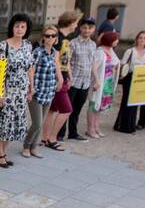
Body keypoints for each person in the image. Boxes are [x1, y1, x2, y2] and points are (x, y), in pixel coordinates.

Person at [0, 14, 35, 166]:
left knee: (16, 123)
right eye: (17, 26)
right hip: (7, 90)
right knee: (3, 123)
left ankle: (4, 152)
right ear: (12, 27)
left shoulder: (28, 45)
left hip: (21, 91)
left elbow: (30, 68)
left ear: (26, 29)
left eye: (22, 26)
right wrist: (0, 94)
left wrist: (31, 87)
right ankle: (0, 153)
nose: (19, 29)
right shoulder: (3, 45)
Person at [25, 25, 59, 156]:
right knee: (37, 123)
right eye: (47, 36)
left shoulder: (55, 53)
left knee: (41, 122)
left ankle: (34, 147)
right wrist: (31, 87)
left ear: (56, 38)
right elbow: (31, 70)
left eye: (53, 36)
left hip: (49, 92)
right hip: (37, 92)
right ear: (43, 38)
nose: (50, 38)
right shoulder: (37, 52)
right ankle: (26, 146)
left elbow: (55, 69)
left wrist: (58, 80)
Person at [66, 17, 98, 141]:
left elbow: (93, 63)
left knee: (77, 109)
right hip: (74, 81)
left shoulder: (93, 45)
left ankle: (73, 133)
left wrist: (96, 80)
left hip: (85, 82)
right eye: (84, 27)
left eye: (90, 28)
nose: (87, 30)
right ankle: (60, 134)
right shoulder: (72, 43)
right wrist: (70, 77)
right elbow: (67, 61)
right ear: (80, 28)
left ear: (93, 29)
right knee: (67, 109)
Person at [114, 30, 145, 134]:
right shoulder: (130, 51)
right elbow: (123, 64)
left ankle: (130, 125)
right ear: (137, 39)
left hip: (139, 79)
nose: (142, 40)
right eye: (140, 37)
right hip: (129, 77)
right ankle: (122, 125)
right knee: (126, 100)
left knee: (135, 102)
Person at [53, 10, 81, 141]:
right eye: (76, 22)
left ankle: (47, 137)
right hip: (57, 77)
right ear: (70, 22)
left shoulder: (67, 39)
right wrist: (60, 77)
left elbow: (66, 60)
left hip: (64, 76)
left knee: (52, 110)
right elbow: (56, 59)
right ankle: (52, 137)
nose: (76, 25)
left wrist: (69, 75)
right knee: (66, 109)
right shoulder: (57, 37)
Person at [86, 31, 119, 138]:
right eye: (115, 39)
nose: (117, 41)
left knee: (100, 106)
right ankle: (90, 129)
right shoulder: (100, 52)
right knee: (93, 105)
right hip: (100, 81)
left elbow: (115, 63)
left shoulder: (111, 51)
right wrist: (97, 81)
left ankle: (96, 127)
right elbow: (94, 67)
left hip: (108, 82)